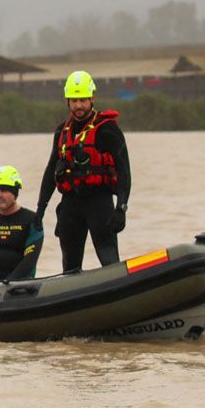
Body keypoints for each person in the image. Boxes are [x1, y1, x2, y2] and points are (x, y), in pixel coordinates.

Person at [34, 70, 132, 273]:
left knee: (109, 260)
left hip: (100, 203)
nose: (78, 106)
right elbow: (51, 169)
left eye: (83, 100)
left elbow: (124, 171)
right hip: (70, 205)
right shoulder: (62, 131)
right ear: (67, 101)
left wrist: (121, 208)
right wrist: (40, 209)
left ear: (92, 98)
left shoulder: (108, 130)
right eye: (74, 100)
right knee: (69, 266)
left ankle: (120, 295)